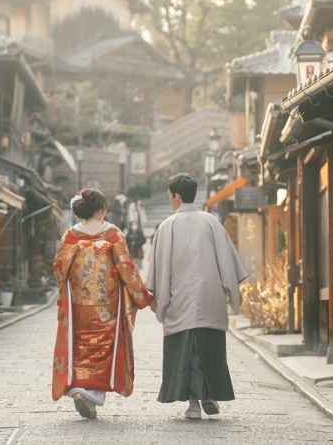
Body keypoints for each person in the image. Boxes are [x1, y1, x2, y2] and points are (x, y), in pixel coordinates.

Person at [145, 173, 249, 419]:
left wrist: (159, 300)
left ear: (177, 197)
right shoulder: (212, 222)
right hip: (209, 296)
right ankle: (209, 395)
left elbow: (158, 270)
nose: (170, 200)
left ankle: (193, 404)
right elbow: (227, 262)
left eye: (170, 196)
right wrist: (232, 294)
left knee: (185, 349)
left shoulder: (167, 226)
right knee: (209, 346)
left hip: (179, 297)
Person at [51, 187, 155, 419]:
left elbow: (59, 269)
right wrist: (142, 296)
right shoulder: (113, 234)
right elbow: (127, 268)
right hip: (107, 306)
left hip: (79, 305)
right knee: (103, 350)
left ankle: (79, 389)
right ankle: (91, 396)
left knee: (80, 348)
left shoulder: (71, 236)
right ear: (101, 209)